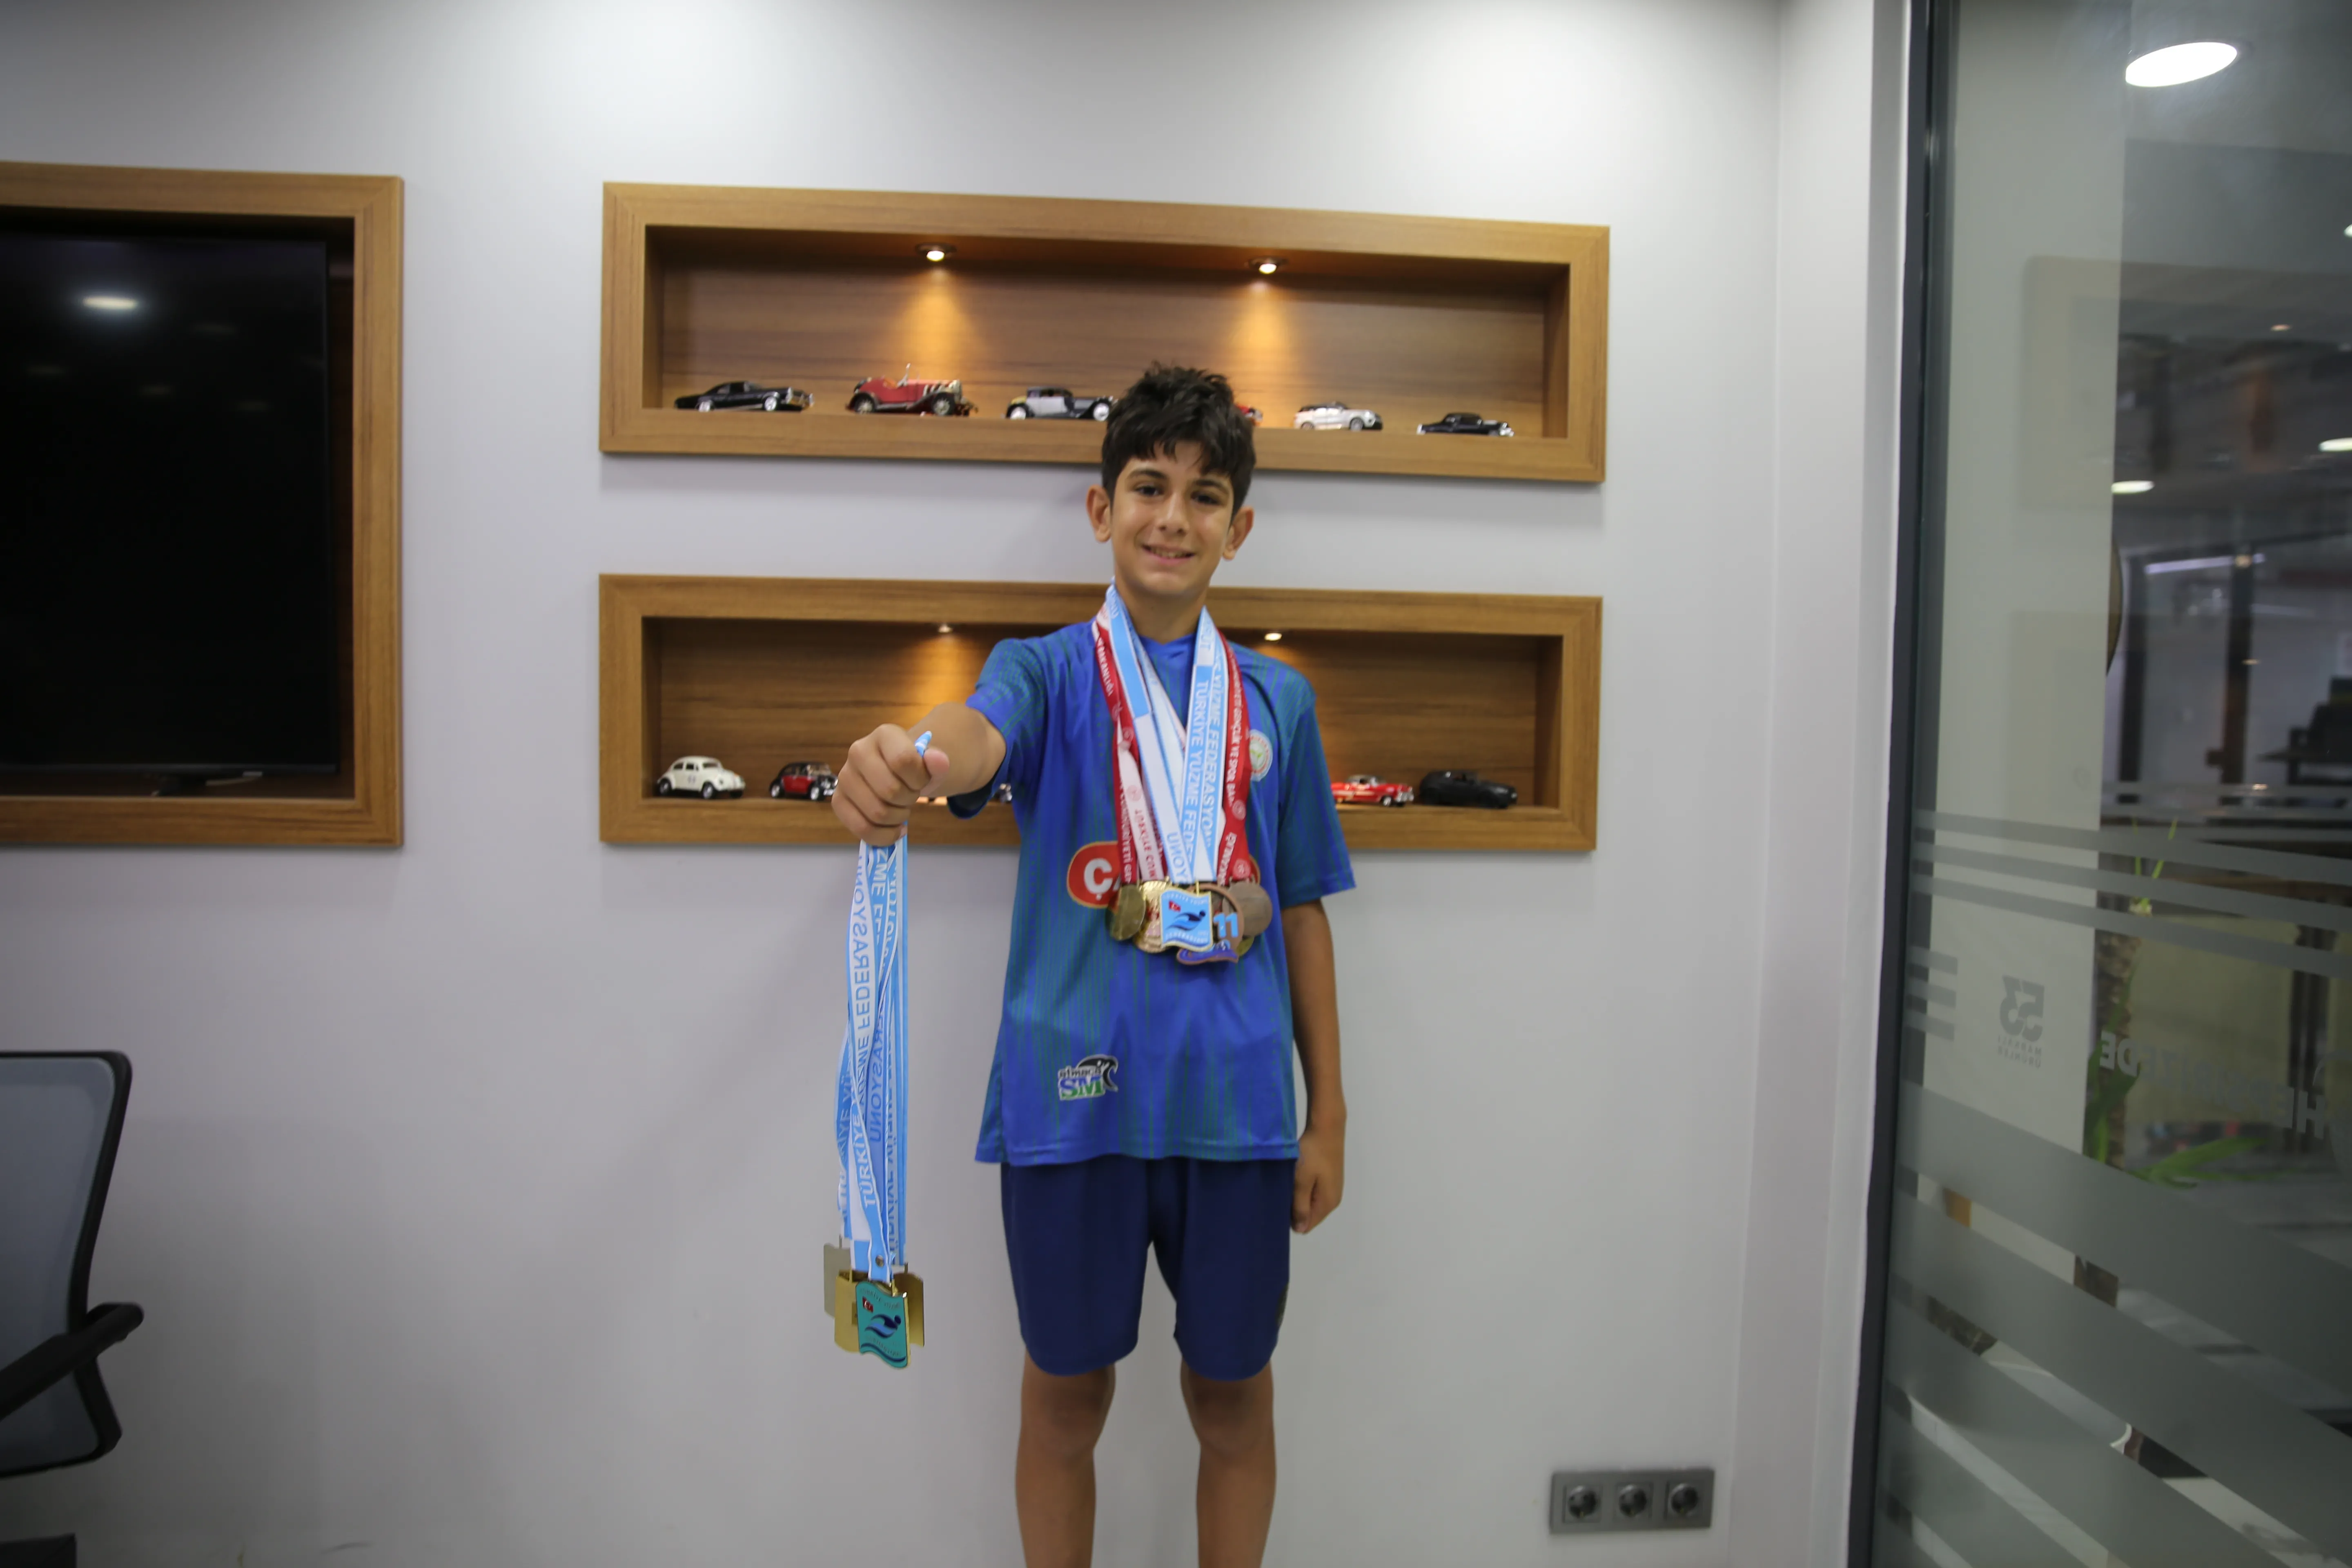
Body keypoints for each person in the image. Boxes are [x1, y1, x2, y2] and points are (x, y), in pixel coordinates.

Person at [831, 363, 1354, 1568]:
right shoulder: (1050, 671)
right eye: (1148, 486)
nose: (1173, 517)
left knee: (1234, 1398)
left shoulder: (1278, 700)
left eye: (1205, 496)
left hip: (1237, 1116)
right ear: (1100, 508)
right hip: (1073, 1107)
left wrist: (1328, 1113)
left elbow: (1303, 909)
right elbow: (974, 734)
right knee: (1066, 1403)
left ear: (1239, 528)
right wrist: (913, 757)